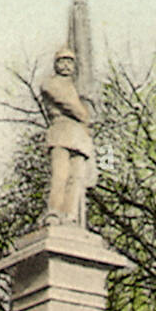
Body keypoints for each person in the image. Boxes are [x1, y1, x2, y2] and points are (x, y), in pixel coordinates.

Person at [40, 46, 96, 224]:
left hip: (79, 136)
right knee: (60, 175)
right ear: (55, 64)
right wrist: (86, 115)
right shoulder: (50, 83)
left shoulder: (76, 87)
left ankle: (70, 216)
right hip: (61, 131)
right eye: (62, 61)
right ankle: (54, 212)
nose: (66, 66)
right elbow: (69, 105)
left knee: (77, 178)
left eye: (70, 62)